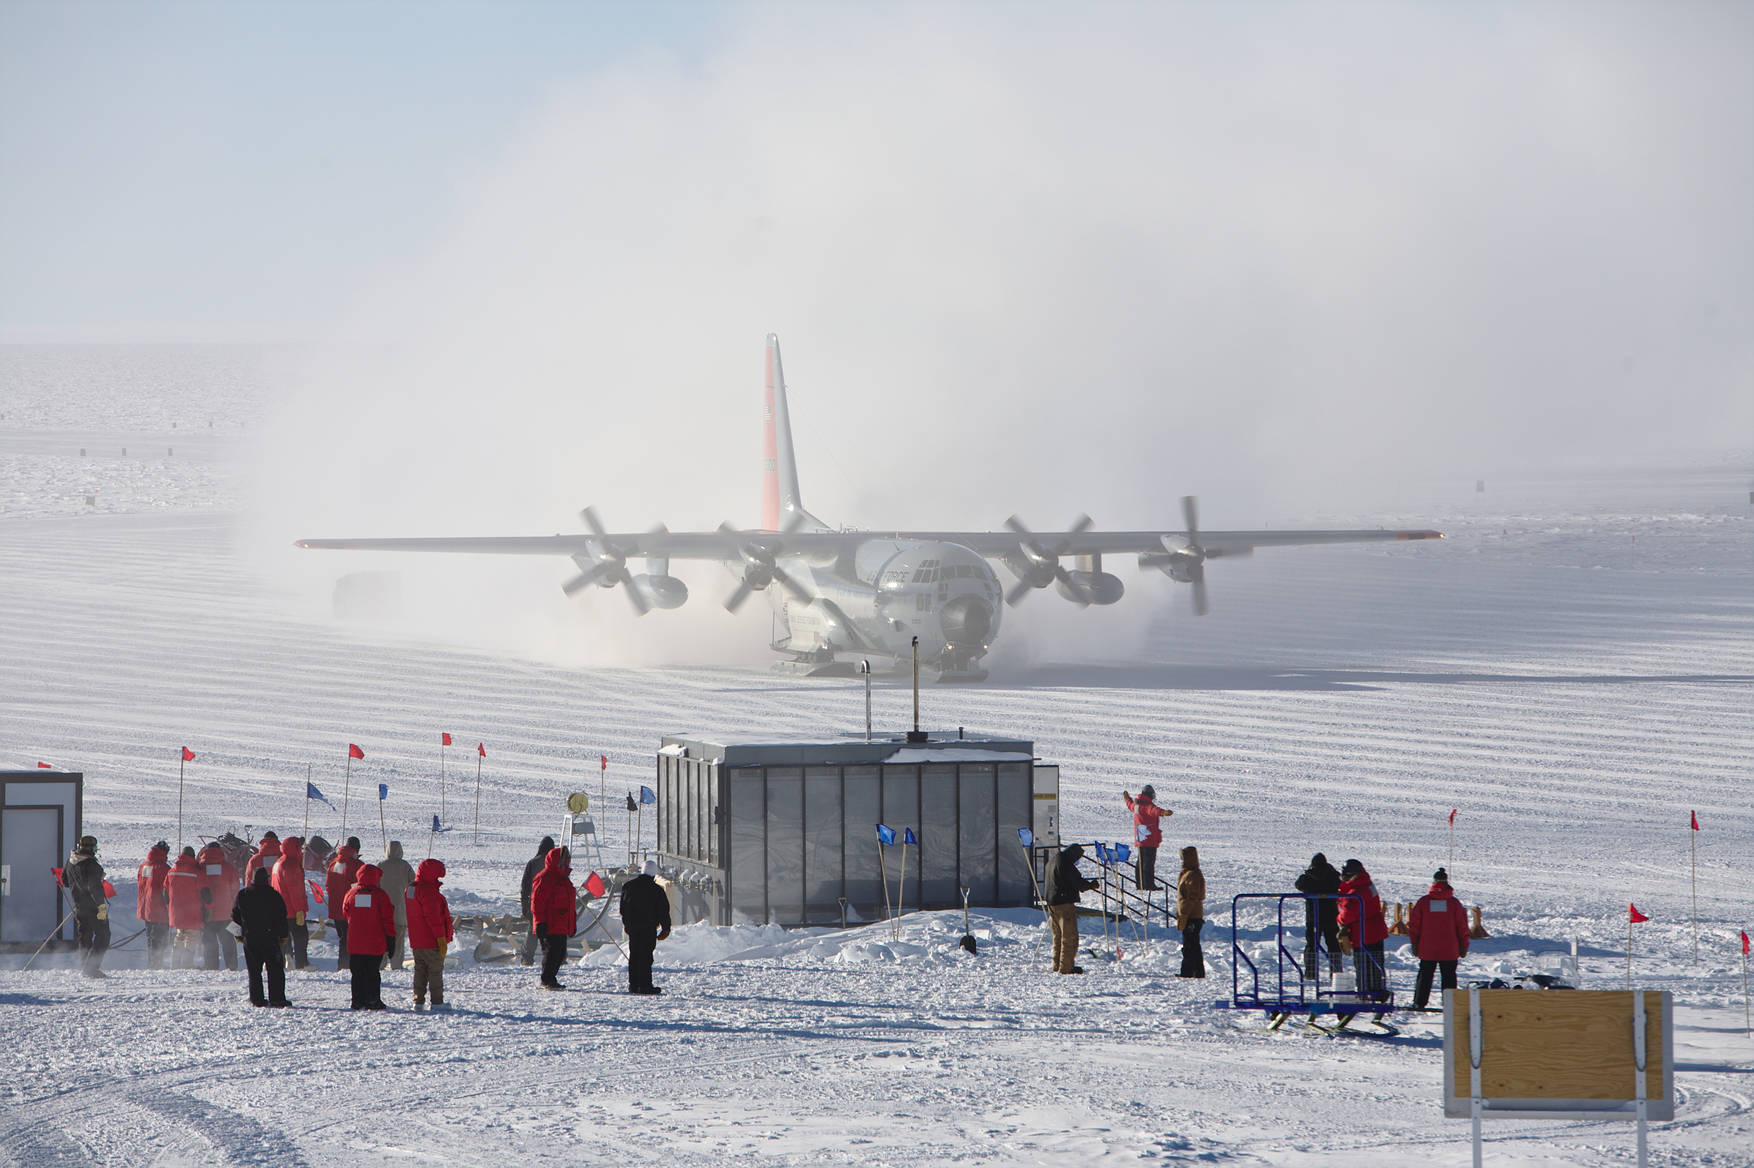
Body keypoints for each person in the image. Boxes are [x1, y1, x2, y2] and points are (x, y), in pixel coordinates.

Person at [1409, 868, 1471, 1009]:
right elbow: (1462, 926)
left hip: (1427, 948)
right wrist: (1464, 944)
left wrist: (1414, 943)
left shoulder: (1423, 902)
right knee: (1449, 977)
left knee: (1425, 976)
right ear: (1447, 882)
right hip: (1449, 949)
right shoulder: (1454, 903)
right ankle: (1449, 1005)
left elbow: (1414, 925)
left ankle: (1419, 1002)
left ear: (1433, 882)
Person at [232, 867, 290, 1007]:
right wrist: (283, 936)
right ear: (267, 880)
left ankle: (257, 999)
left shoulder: (243, 894)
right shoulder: (274, 895)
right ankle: (277, 999)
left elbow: (234, 916)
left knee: (254, 971)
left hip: (250, 938)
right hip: (270, 938)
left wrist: (238, 934)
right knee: (275, 970)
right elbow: (282, 917)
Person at [342, 863, 396, 1009]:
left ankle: (357, 1000)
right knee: (372, 972)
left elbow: (346, 913)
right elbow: (388, 920)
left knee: (357, 974)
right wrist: (391, 940)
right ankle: (373, 1000)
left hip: (355, 942)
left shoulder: (351, 894)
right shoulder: (380, 896)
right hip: (374, 942)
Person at [1336, 858, 1390, 1001]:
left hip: (1364, 934)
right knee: (1376, 965)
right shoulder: (1367, 884)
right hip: (1375, 931)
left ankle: (1365, 994)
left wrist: (1339, 919)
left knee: (1363, 966)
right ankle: (1376, 991)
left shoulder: (1357, 892)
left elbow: (1348, 914)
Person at [406, 858, 454, 1011]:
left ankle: (418, 1001)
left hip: (417, 940)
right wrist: (440, 938)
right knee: (435, 971)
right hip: (431, 940)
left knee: (420, 971)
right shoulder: (428, 891)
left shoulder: (411, 888)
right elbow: (434, 918)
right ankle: (437, 1002)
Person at [1044, 844, 1100, 975]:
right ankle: (1066, 967)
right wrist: (1090, 885)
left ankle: (1057, 964)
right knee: (1069, 937)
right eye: (1077, 858)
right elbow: (1076, 881)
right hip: (1064, 904)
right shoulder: (1065, 863)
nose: (1076, 861)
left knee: (1058, 936)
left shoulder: (1053, 861)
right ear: (1072, 854)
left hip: (1052, 903)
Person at [619, 859, 673, 995]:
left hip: (633, 929)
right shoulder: (657, 890)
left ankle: (633, 984)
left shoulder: (628, 886)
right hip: (648, 928)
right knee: (646, 956)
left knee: (634, 955)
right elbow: (663, 911)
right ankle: (645, 985)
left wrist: (626, 924)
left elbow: (623, 908)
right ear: (654, 874)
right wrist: (666, 928)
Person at [60, 835, 110, 978]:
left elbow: (65, 881)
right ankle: (92, 967)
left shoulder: (71, 861)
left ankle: (84, 966)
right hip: (93, 906)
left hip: (79, 905)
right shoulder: (92, 865)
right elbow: (96, 888)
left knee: (85, 936)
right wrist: (101, 906)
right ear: (92, 848)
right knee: (104, 935)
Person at [530, 845, 577, 989]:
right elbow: (537, 902)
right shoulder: (545, 878)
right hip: (549, 924)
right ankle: (547, 979)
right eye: (563, 860)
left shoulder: (564, 879)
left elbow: (570, 904)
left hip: (561, 924)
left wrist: (572, 924)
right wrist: (540, 922)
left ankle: (551, 978)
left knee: (560, 953)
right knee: (552, 953)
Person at [1294, 853, 1343, 978]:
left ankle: (1310, 973)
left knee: (1312, 944)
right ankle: (1336, 971)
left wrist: (1309, 872)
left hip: (1313, 917)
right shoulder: (1333, 876)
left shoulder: (1308, 877)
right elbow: (1341, 883)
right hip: (1331, 915)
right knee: (1333, 944)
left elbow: (1298, 884)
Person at [197, 840, 240, 971]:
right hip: (226, 914)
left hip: (206, 914)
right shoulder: (228, 868)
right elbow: (235, 890)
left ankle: (211, 969)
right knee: (228, 943)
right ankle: (232, 968)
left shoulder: (200, 868)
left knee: (210, 944)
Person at [1121, 786, 1172, 890]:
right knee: (1148, 863)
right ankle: (1148, 885)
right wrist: (1164, 812)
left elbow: (1129, 805)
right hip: (1149, 838)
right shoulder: (1147, 806)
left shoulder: (1136, 805)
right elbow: (1154, 810)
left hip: (1140, 838)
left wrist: (1127, 798)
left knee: (1141, 861)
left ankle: (1140, 884)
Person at [271, 835, 310, 969]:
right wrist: (300, 909)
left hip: (278, 909)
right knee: (301, 937)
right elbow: (295, 890)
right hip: (292, 910)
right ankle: (302, 963)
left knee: (283, 938)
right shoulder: (291, 865)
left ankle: (282, 962)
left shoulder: (278, 863)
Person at [325, 836, 363, 970]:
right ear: (356, 850)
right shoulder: (357, 866)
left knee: (343, 939)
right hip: (350, 910)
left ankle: (343, 966)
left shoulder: (333, 863)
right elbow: (359, 890)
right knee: (350, 941)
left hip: (335, 909)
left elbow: (328, 886)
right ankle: (347, 967)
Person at [377, 840, 416, 971]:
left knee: (382, 940)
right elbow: (414, 886)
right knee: (398, 941)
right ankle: (396, 965)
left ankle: (381, 964)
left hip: (383, 911)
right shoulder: (405, 866)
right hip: (400, 910)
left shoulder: (380, 866)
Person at [166, 845, 205, 969]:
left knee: (179, 936)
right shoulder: (196, 872)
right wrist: (208, 907)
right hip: (192, 913)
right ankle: (187, 964)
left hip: (176, 913)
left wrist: (169, 907)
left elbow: (164, 893)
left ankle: (174, 963)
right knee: (191, 938)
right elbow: (205, 893)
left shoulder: (171, 871)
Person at [519, 836, 555, 966]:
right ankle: (557, 957)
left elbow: (525, 886)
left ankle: (527, 958)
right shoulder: (555, 864)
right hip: (552, 904)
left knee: (533, 932)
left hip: (535, 903)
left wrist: (524, 904)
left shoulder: (533, 863)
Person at [136, 840, 172, 970]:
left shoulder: (143, 866)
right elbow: (167, 891)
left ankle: (152, 965)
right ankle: (156, 966)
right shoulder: (164, 869)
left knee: (151, 940)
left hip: (146, 910)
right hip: (159, 912)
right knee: (159, 941)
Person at [1176, 846, 1206, 978]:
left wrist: (1184, 914)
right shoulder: (1188, 873)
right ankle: (1196, 971)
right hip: (1191, 914)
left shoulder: (1193, 875)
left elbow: (1191, 897)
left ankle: (1188, 972)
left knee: (1190, 945)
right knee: (1192, 943)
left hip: (1191, 915)